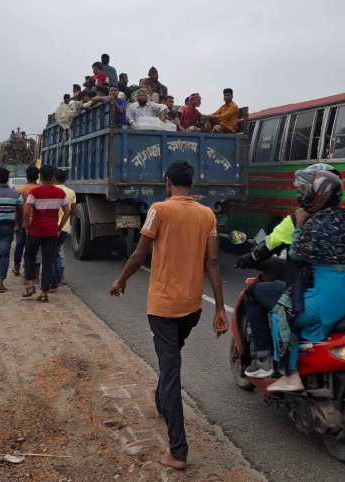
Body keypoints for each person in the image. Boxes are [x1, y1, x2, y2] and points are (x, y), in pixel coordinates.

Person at [110, 160, 229, 471]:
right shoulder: (207, 214)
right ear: (192, 184)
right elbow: (213, 262)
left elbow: (139, 253)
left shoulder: (158, 210)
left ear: (167, 183)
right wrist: (218, 308)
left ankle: (178, 451)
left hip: (163, 307)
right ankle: (162, 402)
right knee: (171, 358)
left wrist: (122, 280)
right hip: (192, 308)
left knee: (171, 367)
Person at [267, 169, 345, 392]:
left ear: (318, 194)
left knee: (280, 311)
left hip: (334, 299)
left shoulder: (314, 224)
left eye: (304, 191)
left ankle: (291, 375)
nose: (301, 196)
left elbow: (295, 255)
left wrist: (298, 228)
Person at [237, 164, 342, 378]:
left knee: (255, 293)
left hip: (309, 295)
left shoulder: (301, 224)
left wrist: (247, 258)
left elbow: (269, 246)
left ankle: (264, 359)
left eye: (303, 190)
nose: (299, 195)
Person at [22, 165, 70, 303]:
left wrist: (27, 227)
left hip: (36, 231)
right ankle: (44, 293)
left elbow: (26, 212)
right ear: (53, 177)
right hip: (51, 232)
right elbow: (67, 212)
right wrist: (59, 227)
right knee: (47, 261)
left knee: (29, 256)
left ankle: (31, 284)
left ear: (40, 177)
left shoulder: (35, 192)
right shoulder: (61, 194)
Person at [13, 165, 40, 277]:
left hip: (23, 222)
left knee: (19, 245)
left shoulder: (20, 190)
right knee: (32, 249)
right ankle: (27, 270)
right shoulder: (40, 190)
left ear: (26, 177)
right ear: (38, 176)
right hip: (36, 223)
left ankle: (16, 267)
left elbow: (17, 209)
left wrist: (16, 225)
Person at [51, 169, 76, 290]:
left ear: (53, 178)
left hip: (51, 227)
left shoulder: (52, 191)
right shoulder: (71, 192)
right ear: (65, 180)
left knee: (52, 253)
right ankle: (61, 277)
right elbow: (74, 211)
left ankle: (54, 280)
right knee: (59, 252)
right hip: (65, 227)